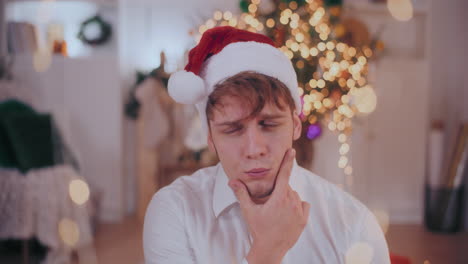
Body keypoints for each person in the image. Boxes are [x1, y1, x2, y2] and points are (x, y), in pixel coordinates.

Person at [143, 26, 390, 264]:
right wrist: (267, 251)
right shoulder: (175, 211)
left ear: (295, 126)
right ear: (210, 138)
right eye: (233, 129)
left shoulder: (353, 223)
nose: (254, 149)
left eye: (269, 125)